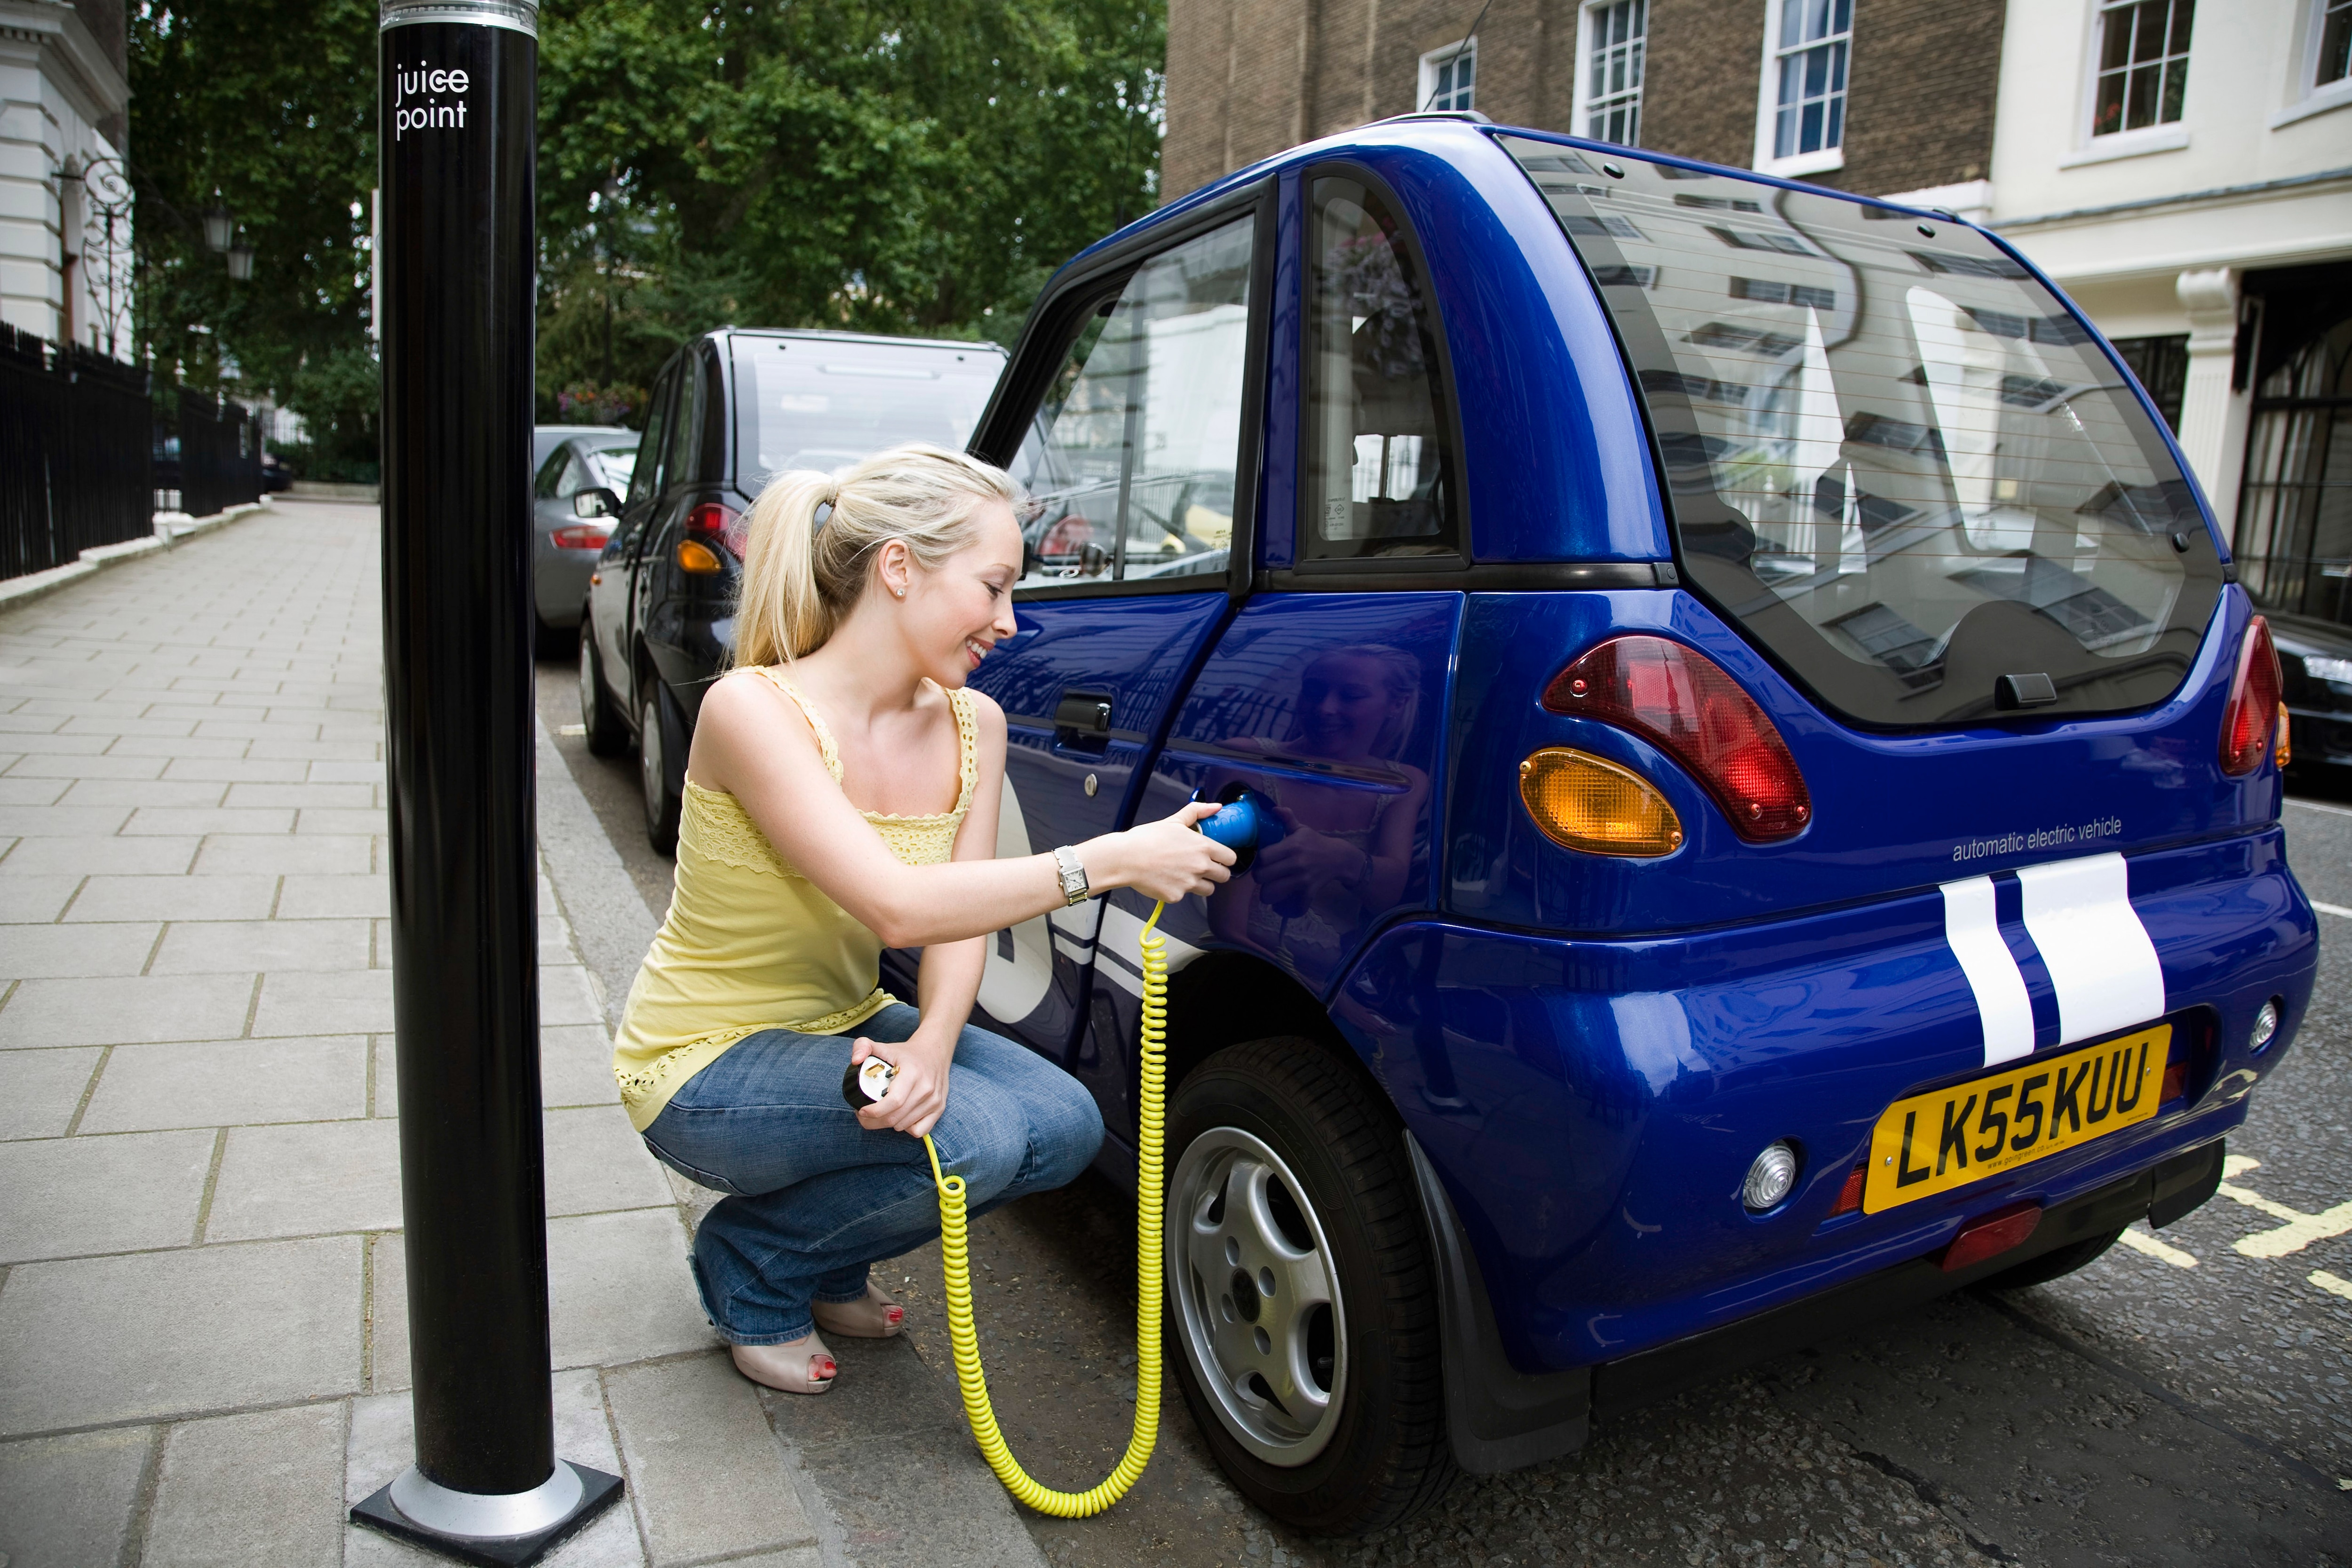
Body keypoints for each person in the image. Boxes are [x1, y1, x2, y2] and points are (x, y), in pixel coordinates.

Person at [611, 442, 1234, 1395]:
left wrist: (935, 1043)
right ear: (898, 567)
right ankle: (755, 1262)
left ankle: (824, 1258)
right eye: (991, 586)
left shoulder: (971, 721)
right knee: (977, 1136)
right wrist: (1111, 860)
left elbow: (955, 924)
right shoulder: (753, 711)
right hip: (705, 1060)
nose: (1008, 621)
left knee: (1062, 1122)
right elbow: (896, 904)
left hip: (840, 1021)